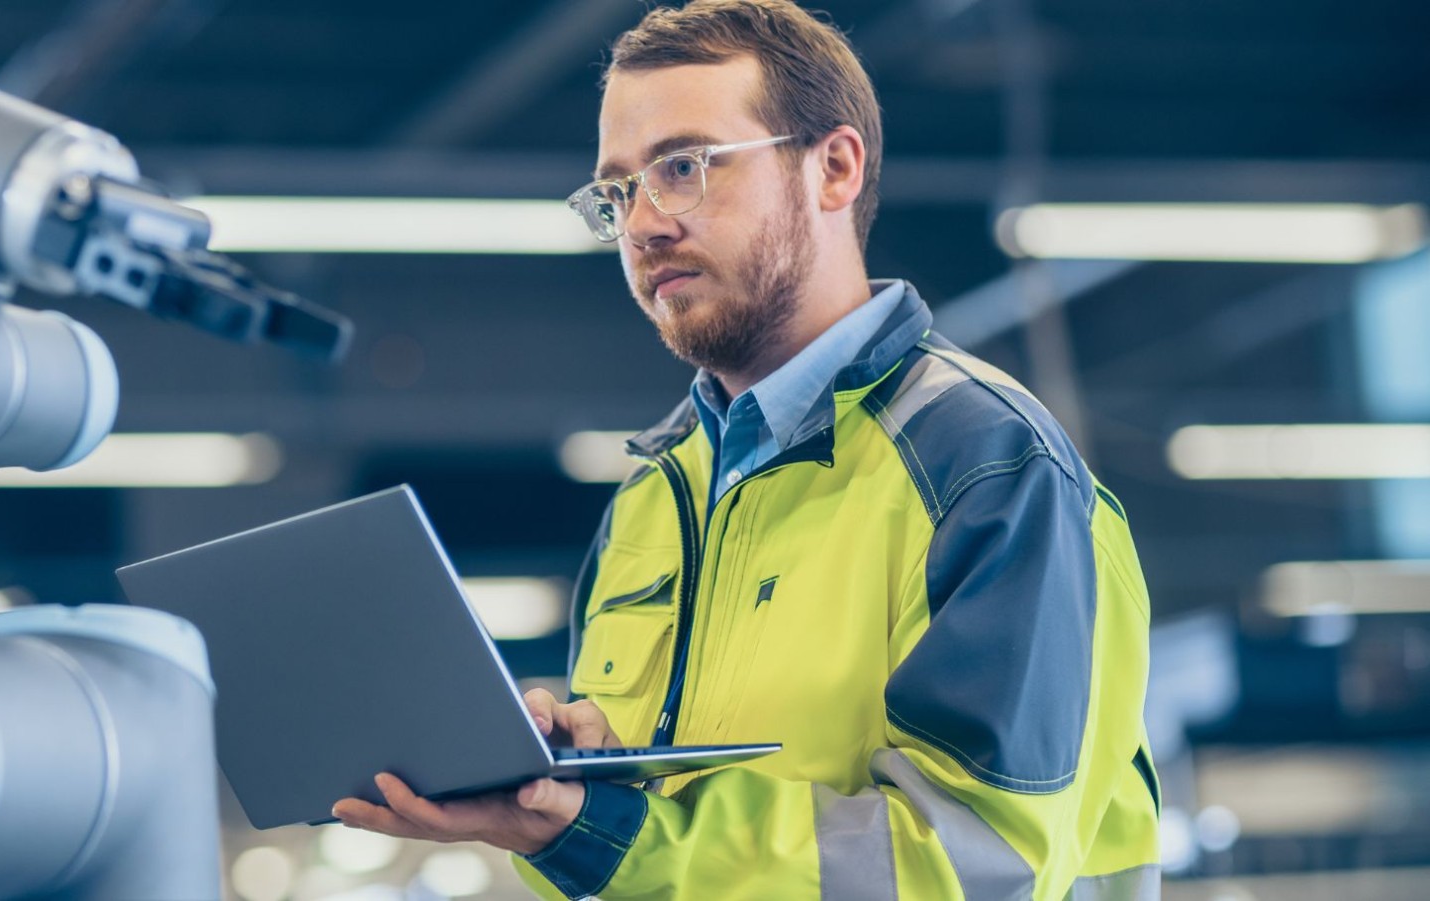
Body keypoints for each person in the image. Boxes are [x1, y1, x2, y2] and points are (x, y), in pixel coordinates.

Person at [332, 2, 1160, 897]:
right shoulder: (653, 501)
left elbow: (975, 865)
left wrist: (617, 835)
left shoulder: (987, 467)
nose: (642, 224)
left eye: (683, 167)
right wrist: (561, 806)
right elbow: (635, 859)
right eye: (617, 192)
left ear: (833, 168)